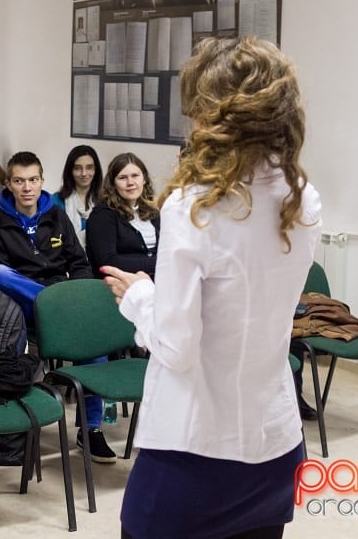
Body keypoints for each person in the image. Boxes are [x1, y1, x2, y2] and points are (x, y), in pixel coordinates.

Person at [104, 37, 322, 539]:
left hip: (194, 451)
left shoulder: (192, 207)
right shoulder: (302, 198)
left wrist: (140, 299)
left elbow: (178, 348)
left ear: (211, 115)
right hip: (273, 444)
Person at [0, 151, 113, 461]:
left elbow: (79, 264)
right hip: (21, 306)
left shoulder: (56, 215)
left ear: (42, 181)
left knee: (93, 338)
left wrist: (72, 295)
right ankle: (56, 307)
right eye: (19, 181)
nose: (27, 187)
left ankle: (91, 428)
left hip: (60, 299)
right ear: (9, 184)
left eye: (33, 180)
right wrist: (50, 300)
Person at [86, 153, 159, 279]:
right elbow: (108, 262)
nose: (130, 182)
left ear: (144, 179)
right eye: (122, 178)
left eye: (135, 176)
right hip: (118, 288)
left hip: (157, 283)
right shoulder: (102, 215)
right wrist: (158, 264)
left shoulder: (153, 212)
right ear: (113, 184)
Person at [50, 145, 102, 250]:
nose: (84, 173)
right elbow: (53, 240)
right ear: (70, 171)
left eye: (89, 167)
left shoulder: (105, 202)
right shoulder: (55, 201)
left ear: (96, 170)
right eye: (77, 168)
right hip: (67, 261)